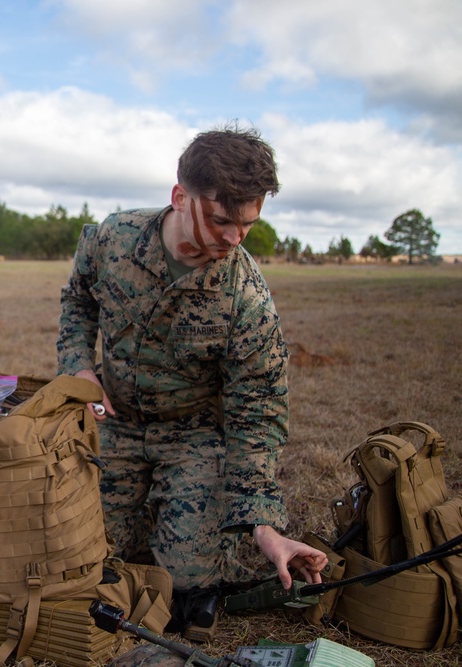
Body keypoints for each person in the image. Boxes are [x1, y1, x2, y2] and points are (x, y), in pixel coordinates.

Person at [56, 125, 327, 634]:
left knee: (186, 581)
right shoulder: (112, 239)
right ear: (180, 197)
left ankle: (185, 525)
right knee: (83, 558)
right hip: (113, 421)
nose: (233, 239)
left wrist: (262, 525)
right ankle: (138, 520)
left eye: (247, 225)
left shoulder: (247, 301)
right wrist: (78, 366)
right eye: (222, 220)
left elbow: (258, 415)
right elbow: (78, 300)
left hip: (194, 436)